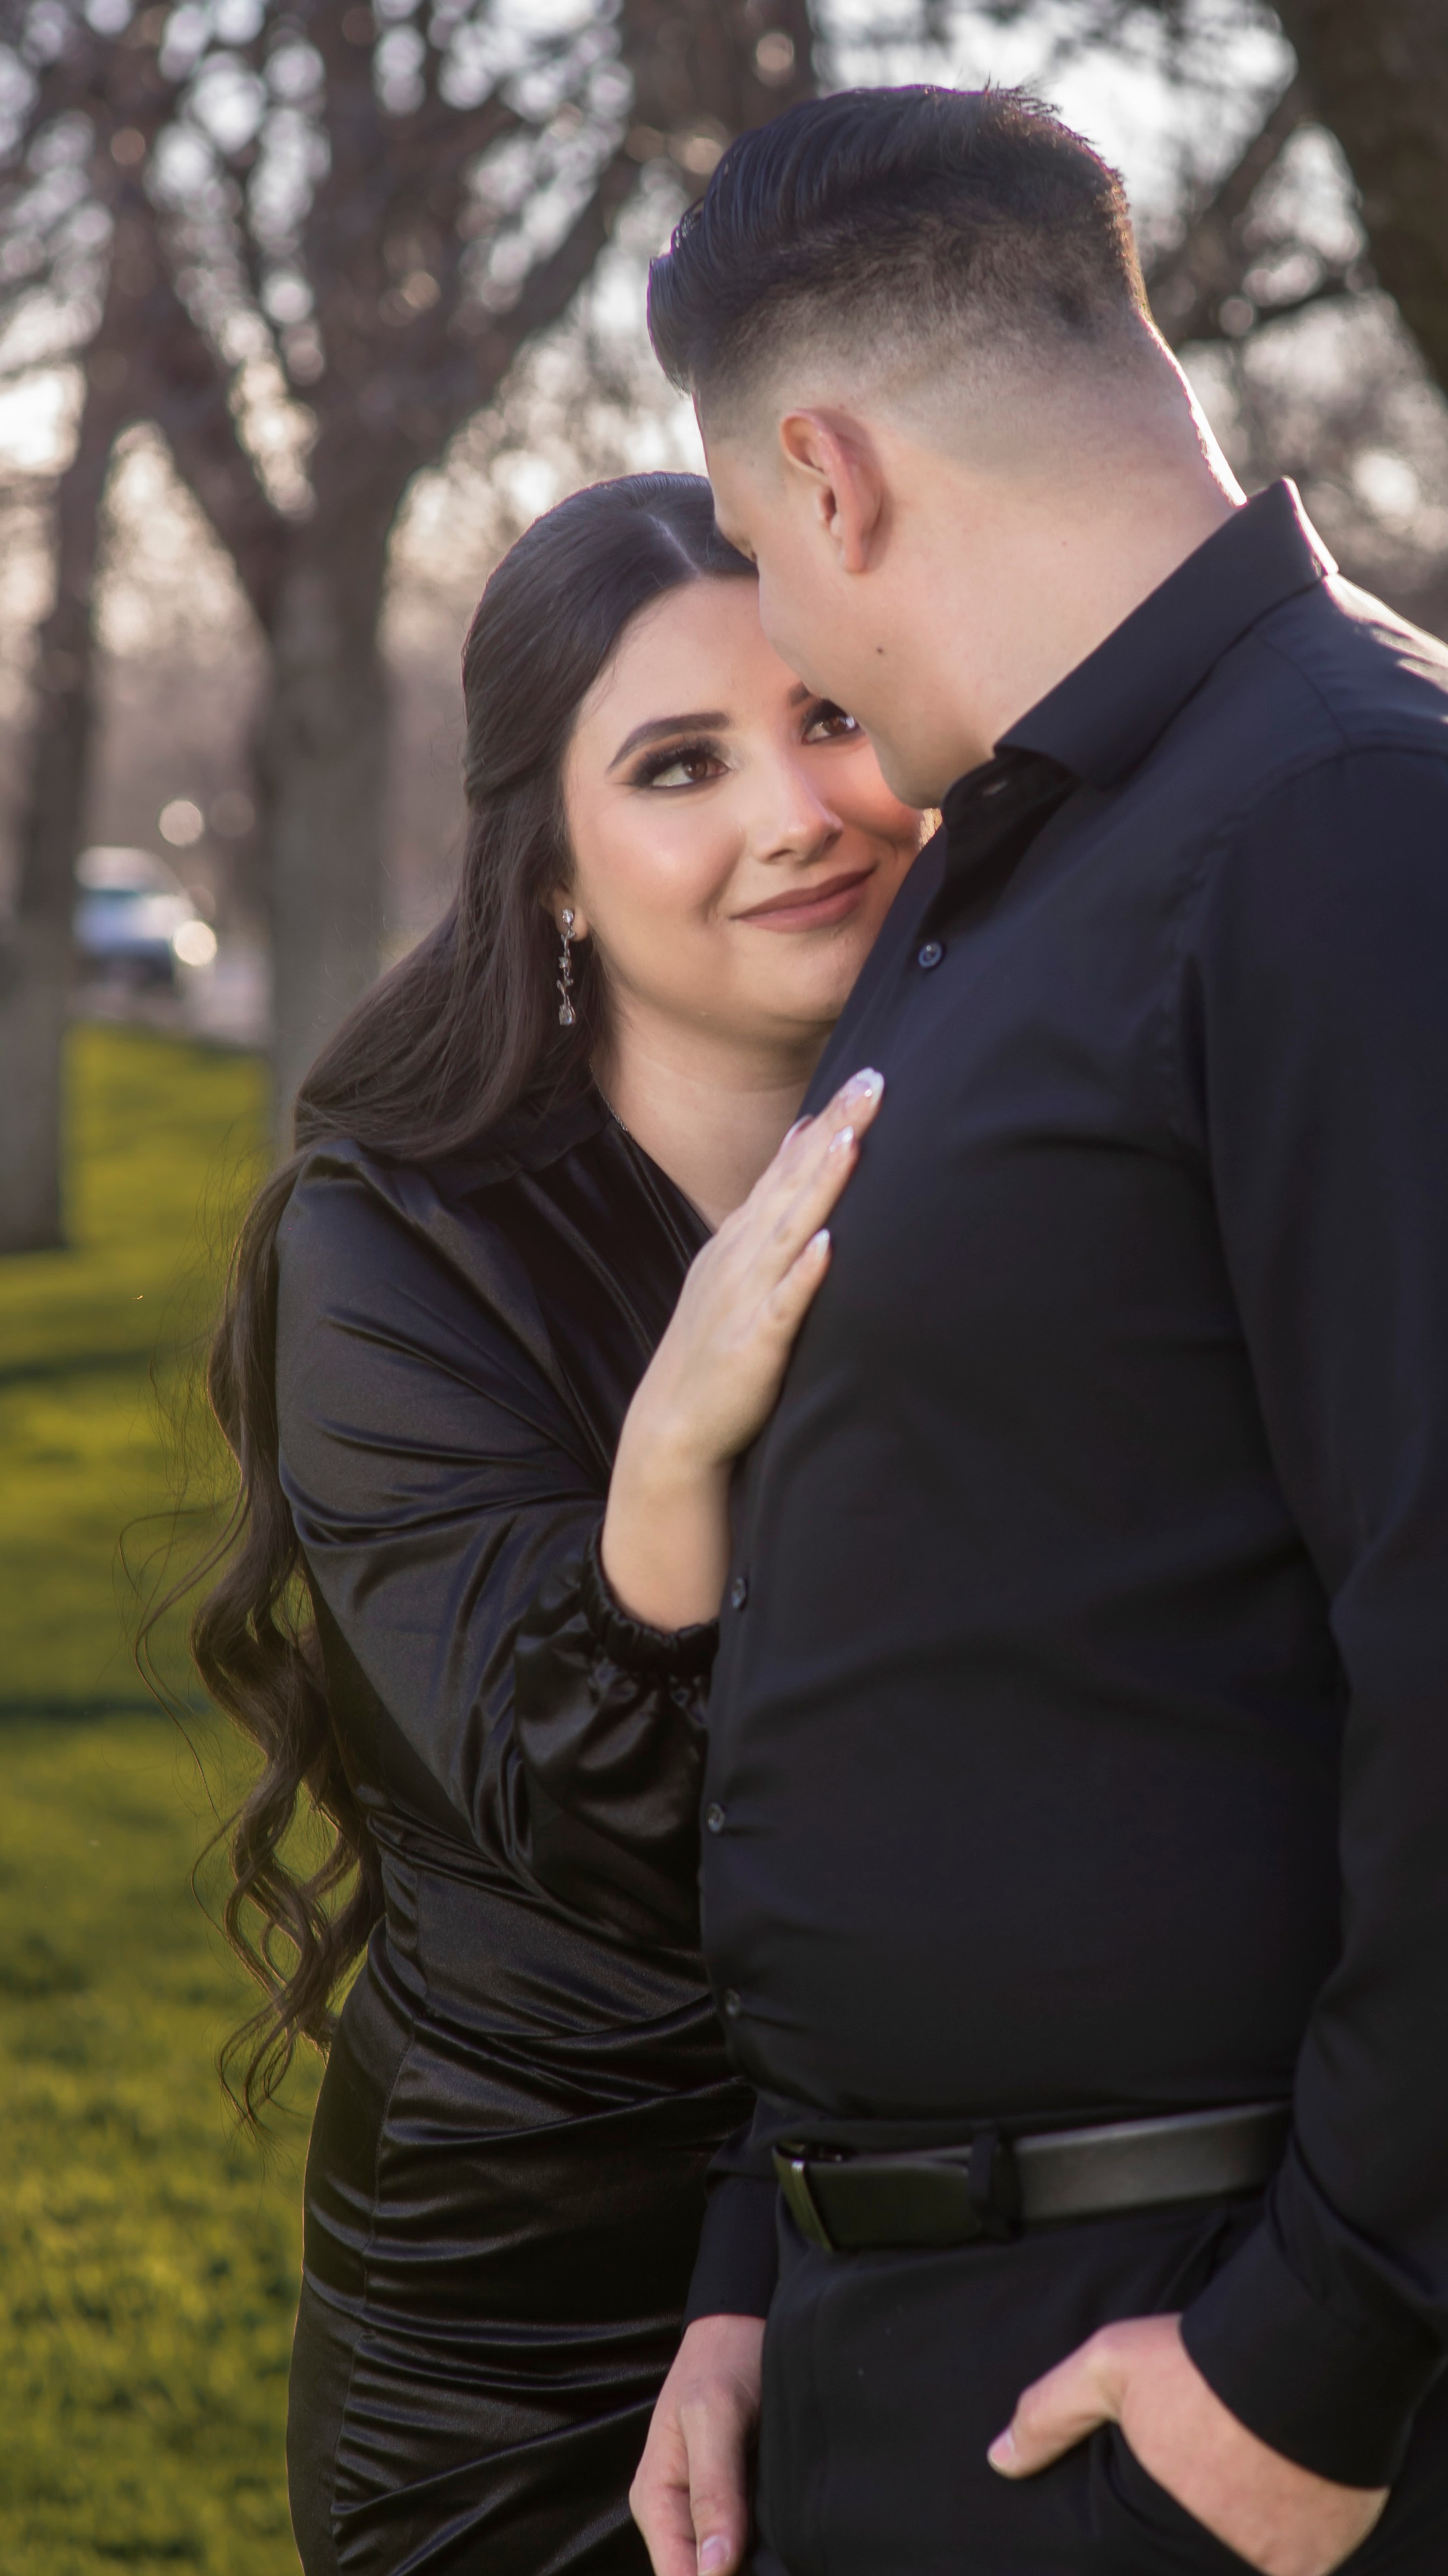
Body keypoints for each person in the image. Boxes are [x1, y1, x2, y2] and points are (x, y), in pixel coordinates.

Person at [625, 87, 1448, 2576]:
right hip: (939, 2320)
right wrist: (764, 2256)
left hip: (1216, 2348)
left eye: (751, 551)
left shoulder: (1367, 823)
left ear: (829, 474)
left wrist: (1318, 2359)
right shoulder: (1012, 857)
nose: (781, 638)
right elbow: (931, 1603)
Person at [188, 471, 923, 2575]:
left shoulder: (1009, 1154)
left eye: (830, 720)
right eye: (680, 764)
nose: (796, 810)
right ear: (559, 872)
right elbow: (599, 1823)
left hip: (935, 2237)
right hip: (532, 2335)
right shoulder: (395, 1249)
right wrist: (676, 1448)